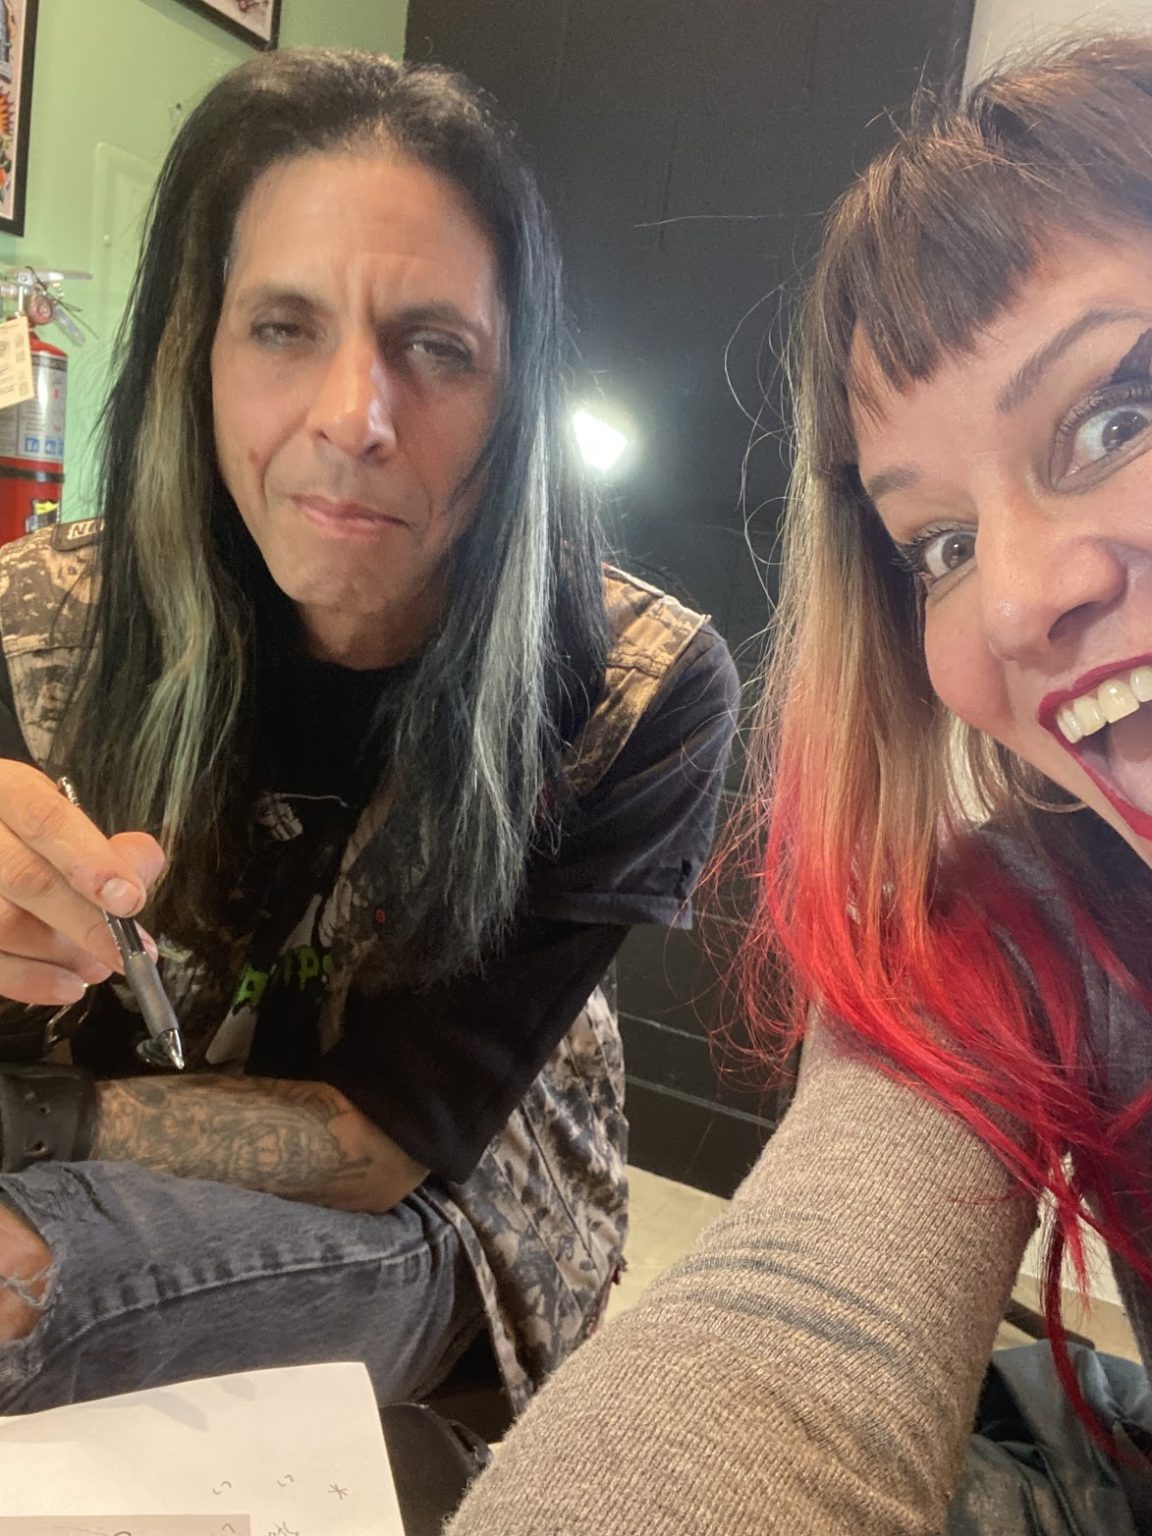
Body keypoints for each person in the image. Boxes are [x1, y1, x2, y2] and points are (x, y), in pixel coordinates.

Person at [446, 33, 1152, 1535]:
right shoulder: (1028, 920)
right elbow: (794, 1330)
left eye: (1117, 417)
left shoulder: (650, 677)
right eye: (940, 545)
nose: (1015, 602)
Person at [0, 50, 737, 1416]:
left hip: (441, 1214)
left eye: (437, 347)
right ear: (196, 355)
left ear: (517, 395)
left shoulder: (633, 688)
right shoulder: (39, 612)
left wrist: (30, 1122)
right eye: (282, 326)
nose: (354, 417)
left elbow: (389, 1141)